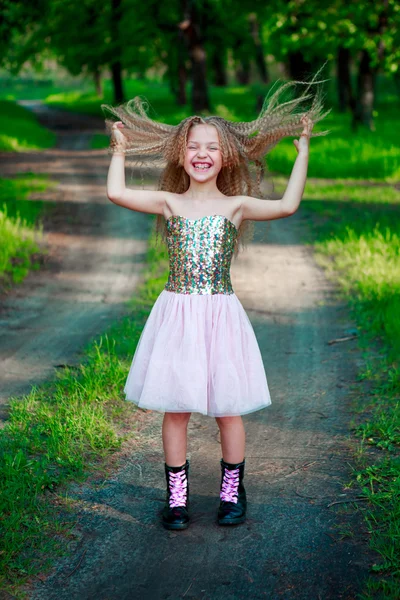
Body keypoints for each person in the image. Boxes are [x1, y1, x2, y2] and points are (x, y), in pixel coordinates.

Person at [102, 70, 330, 531]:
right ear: (180, 155)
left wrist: (303, 151)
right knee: (177, 408)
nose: (201, 154)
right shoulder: (169, 202)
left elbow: (287, 205)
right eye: (193, 146)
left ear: (226, 157)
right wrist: (120, 152)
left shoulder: (235, 206)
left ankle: (231, 493)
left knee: (228, 407)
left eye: (211, 147)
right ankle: (178, 498)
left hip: (220, 313)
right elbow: (116, 192)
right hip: (177, 313)